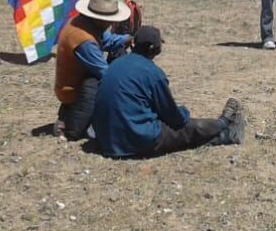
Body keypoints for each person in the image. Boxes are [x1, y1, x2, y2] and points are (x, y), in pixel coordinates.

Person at [92, 26, 247, 157]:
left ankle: (219, 134)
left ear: (133, 44)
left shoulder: (115, 64)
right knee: (187, 128)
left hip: (106, 140)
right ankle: (223, 125)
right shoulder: (153, 74)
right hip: (134, 141)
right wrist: (184, 112)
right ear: (155, 50)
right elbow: (174, 118)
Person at [52, 0, 133, 140]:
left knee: (118, 55)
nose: (111, 24)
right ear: (99, 19)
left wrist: (128, 39)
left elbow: (107, 41)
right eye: (109, 21)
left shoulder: (83, 23)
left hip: (76, 82)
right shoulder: (84, 41)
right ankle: (76, 122)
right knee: (105, 83)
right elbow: (105, 73)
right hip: (73, 90)